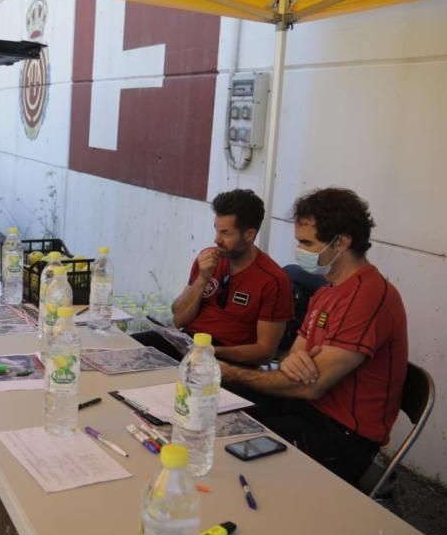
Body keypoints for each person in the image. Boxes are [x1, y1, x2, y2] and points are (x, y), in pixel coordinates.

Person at [219, 188, 409, 486]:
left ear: (342, 241)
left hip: (340, 438)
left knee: (225, 442)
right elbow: (293, 361)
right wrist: (295, 365)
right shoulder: (327, 290)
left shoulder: (369, 296)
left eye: (307, 243)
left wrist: (231, 372)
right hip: (305, 411)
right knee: (215, 407)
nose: (300, 250)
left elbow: (311, 386)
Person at [135, 189, 293, 364]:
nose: (217, 240)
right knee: (132, 347)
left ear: (249, 235)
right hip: (188, 342)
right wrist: (202, 279)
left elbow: (265, 352)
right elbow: (178, 319)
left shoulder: (273, 280)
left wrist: (213, 351)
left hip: (227, 357)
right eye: (216, 231)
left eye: (225, 233)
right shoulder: (208, 260)